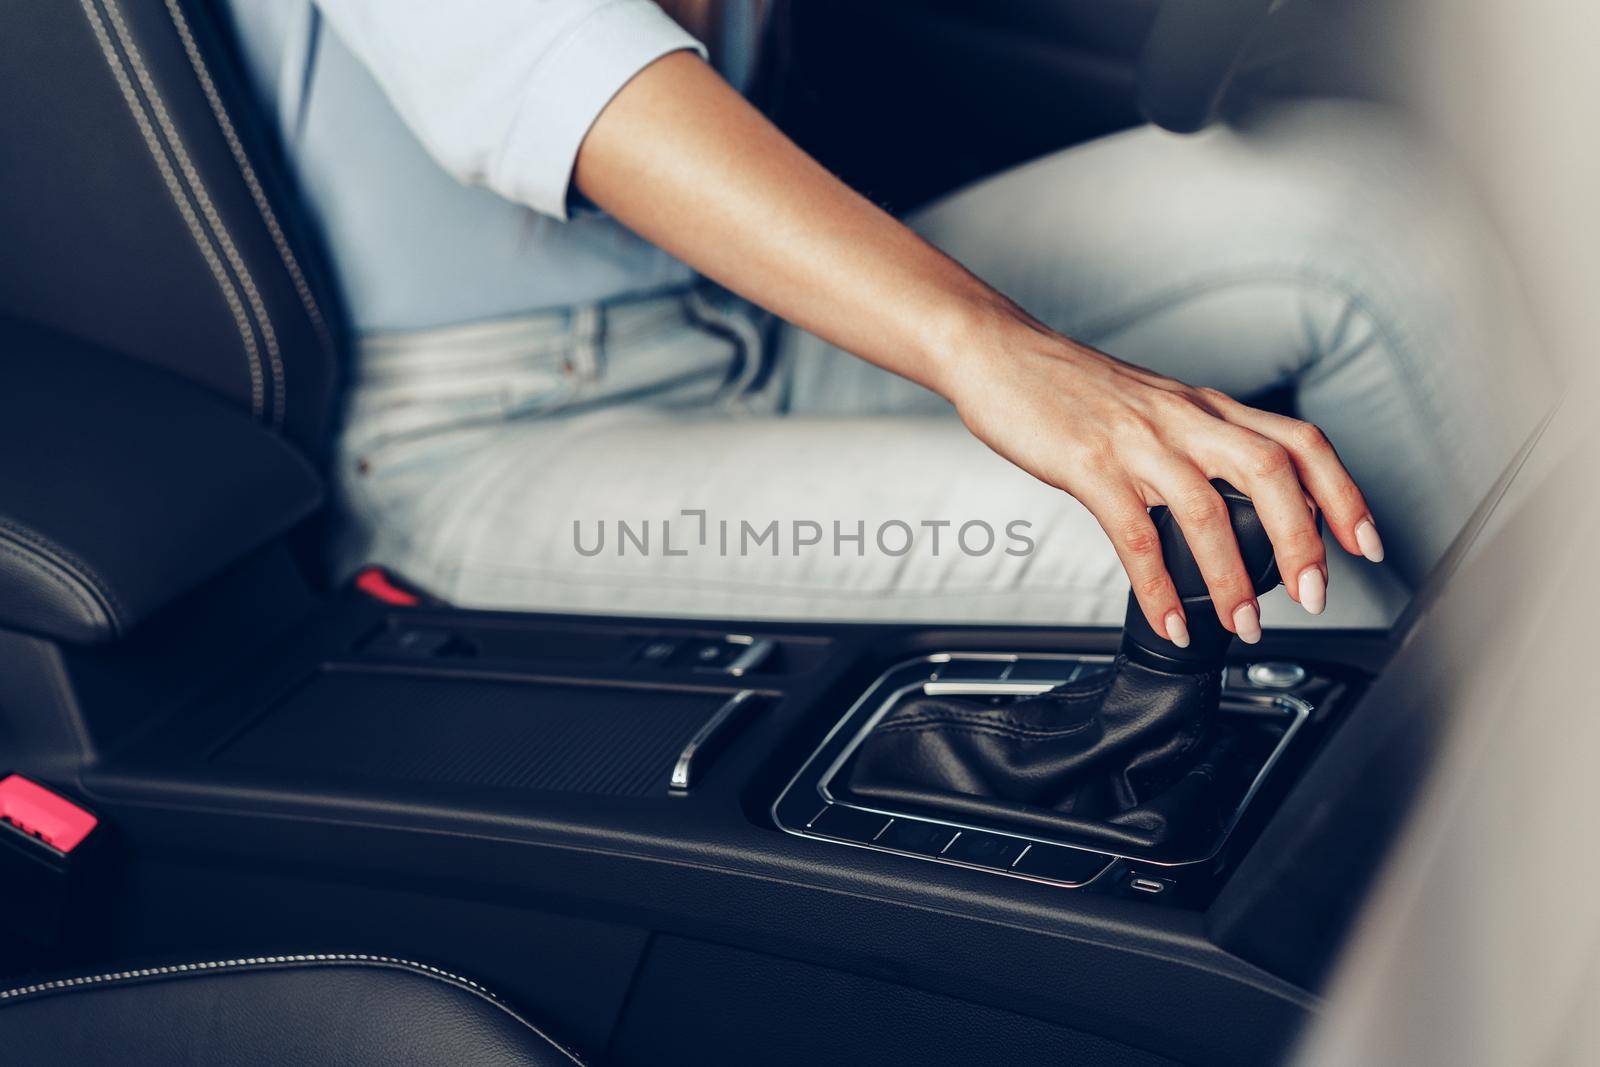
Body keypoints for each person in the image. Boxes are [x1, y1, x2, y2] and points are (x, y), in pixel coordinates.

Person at [223, 0, 1549, 641]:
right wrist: (994, 351)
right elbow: (558, 68)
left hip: (752, 313)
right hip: (493, 436)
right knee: (1256, 568)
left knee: (1368, 204)